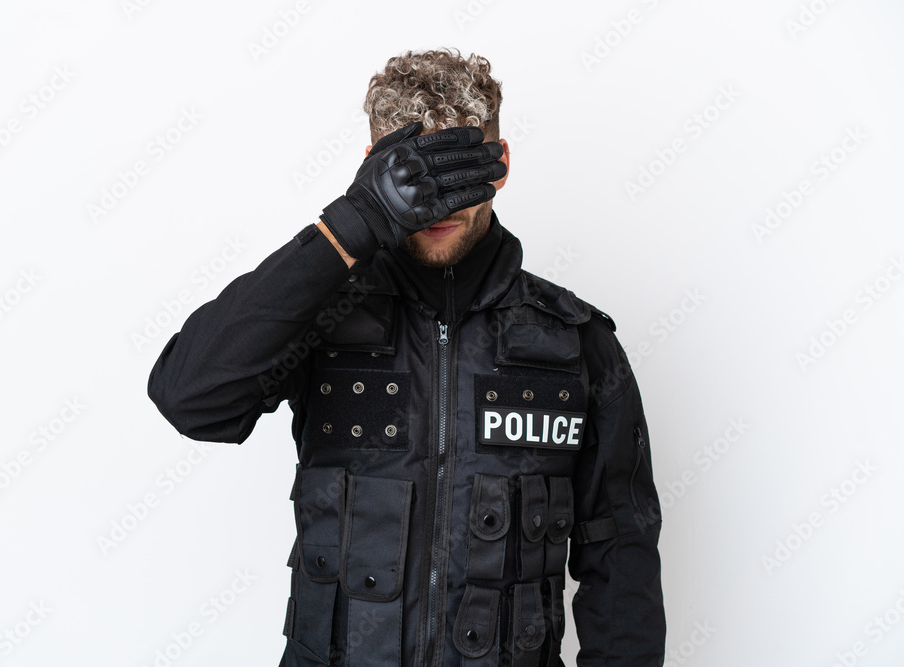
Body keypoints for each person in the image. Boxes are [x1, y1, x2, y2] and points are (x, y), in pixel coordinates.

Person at [148, 47, 665, 667]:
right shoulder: (322, 317)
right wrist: (353, 224)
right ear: (373, 168)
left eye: (459, 173)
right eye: (415, 178)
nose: (438, 205)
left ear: (500, 164)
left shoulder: (578, 341)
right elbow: (189, 398)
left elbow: (621, 550)